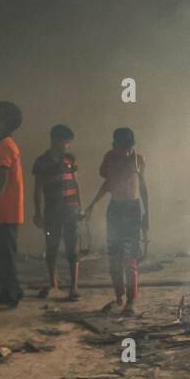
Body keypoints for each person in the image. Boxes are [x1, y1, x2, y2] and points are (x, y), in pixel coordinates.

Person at [83, 127, 147, 316]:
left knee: (130, 258)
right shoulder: (110, 158)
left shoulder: (138, 159)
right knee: (115, 257)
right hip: (116, 210)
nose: (125, 153)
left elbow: (143, 188)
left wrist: (147, 215)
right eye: (121, 149)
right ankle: (119, 297)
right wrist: (93, 203)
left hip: (132, 209)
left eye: (128, 149)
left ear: (132, 146)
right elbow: (108, 183)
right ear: (114, 146)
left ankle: (131, 301)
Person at [31, 124, 82, 300]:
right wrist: (38, 213)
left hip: (71, 210)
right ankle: (53, 284)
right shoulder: (41, 162)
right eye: (66, 142)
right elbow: (37, 190)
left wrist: (80, 207)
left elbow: (76, 184)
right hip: (52, 210)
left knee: (73, 248)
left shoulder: (70, 159)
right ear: (56, 140)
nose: (68, 146)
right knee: (51, 247)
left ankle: (74, 287)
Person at [0, 101, 25, 310]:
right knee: (2, 255)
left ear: (4, 121)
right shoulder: (3, 145)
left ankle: (10, 296)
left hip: (5, 211)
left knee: (4, 256)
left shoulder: (4, 146)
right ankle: (10, 291)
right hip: (5, 211)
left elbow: (2, 180)